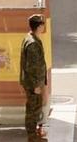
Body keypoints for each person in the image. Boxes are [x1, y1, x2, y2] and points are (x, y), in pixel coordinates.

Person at [20, 12, 49, 142]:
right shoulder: (32, 44)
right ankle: (32, 136)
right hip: (33, 83)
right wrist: (36, 85)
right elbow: (31, 67)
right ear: (38, 27)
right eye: (42, 25)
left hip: (34, 82)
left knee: (35, 107)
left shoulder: (31, 38)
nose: (44, 27)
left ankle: (34, 132)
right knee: (32, 109)